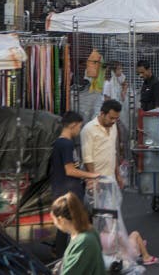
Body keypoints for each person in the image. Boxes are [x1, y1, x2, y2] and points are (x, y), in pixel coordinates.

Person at [50, 111, 101, 256]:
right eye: (79, 127)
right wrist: (91, 175)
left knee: (69, 225)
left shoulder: (61, 143)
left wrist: (85, 178)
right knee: (71, 225)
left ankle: (63, 255)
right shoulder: (66, 144)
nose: (79, 130)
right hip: (68, 191)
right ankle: (64, 256)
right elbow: (70, 170)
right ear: (73, 125)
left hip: (67, 189)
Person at [50, 192, 106, 275]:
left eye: (54, 221)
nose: (54, 224)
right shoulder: (88, 230)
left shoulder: (83, 241)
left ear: (61, 220)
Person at [81, 100, 123, 189]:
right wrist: (94, 180)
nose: (114, 121)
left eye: (116, 118)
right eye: (111, 118)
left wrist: (118, 175)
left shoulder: (113, 126)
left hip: (111, 179)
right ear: (102, 114)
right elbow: (87, 158)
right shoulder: (89, 129)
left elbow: (113, 152)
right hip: (97, 181)